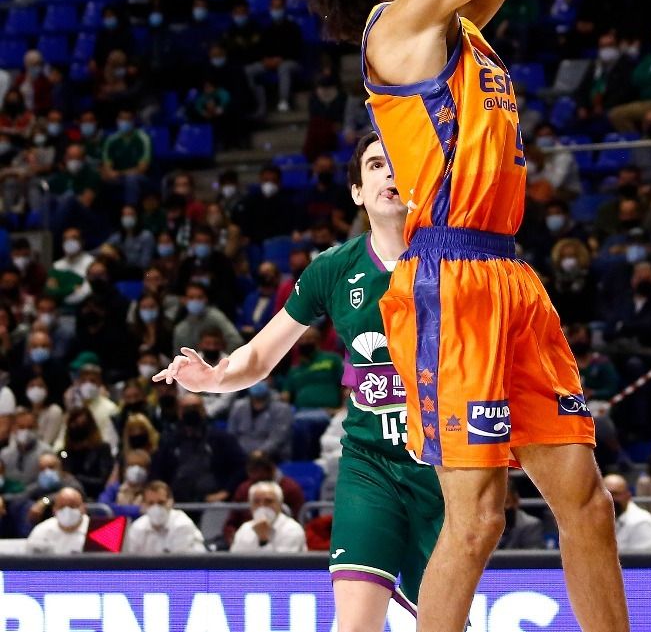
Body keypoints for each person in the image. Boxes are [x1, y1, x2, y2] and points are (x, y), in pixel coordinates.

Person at [291, 0, 623, 632]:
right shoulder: (397, 25)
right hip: (449, 275)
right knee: (476, 519)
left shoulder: (454, 25)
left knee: (586, 501)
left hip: (506, 269)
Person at [155, 134, 439, 626]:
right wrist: (213, 378)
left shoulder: (456, 262)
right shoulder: (333, 269)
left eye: (398, 163)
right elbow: (261, 354)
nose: (389, 173)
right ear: (357, 191)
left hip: (443, 465)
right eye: (376, 165)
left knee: (442, 621)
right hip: (370, 464)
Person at [124, 479, 206, 554]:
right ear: (144, 505)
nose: (156, 508)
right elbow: (133, 560)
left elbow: (178, 562)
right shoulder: (137, 528)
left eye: (161, 503)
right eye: (151, 503)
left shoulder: (183, 524)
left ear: (170, 502)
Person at [231, 480, 308, 552]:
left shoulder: (292, 529)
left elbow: (282, 561)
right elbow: (234, 559)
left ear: (280, 504)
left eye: (268, 501)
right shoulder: (245, 529)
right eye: (256, 501)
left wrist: (263, 541)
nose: (262, 506)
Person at [602, 474, 651, 551]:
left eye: (615, 494)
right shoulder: (602, 518)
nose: (609, 499)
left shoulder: (642, 522)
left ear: (628, 495)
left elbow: (643, 557)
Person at [25, 486, 88, 554]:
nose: (67, 510)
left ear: (83, 508)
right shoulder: (41, 531)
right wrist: (43, 501)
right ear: (54, 510)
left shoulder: (95, 530)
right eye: (62, 507)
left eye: (72, 506)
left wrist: (44, 500)